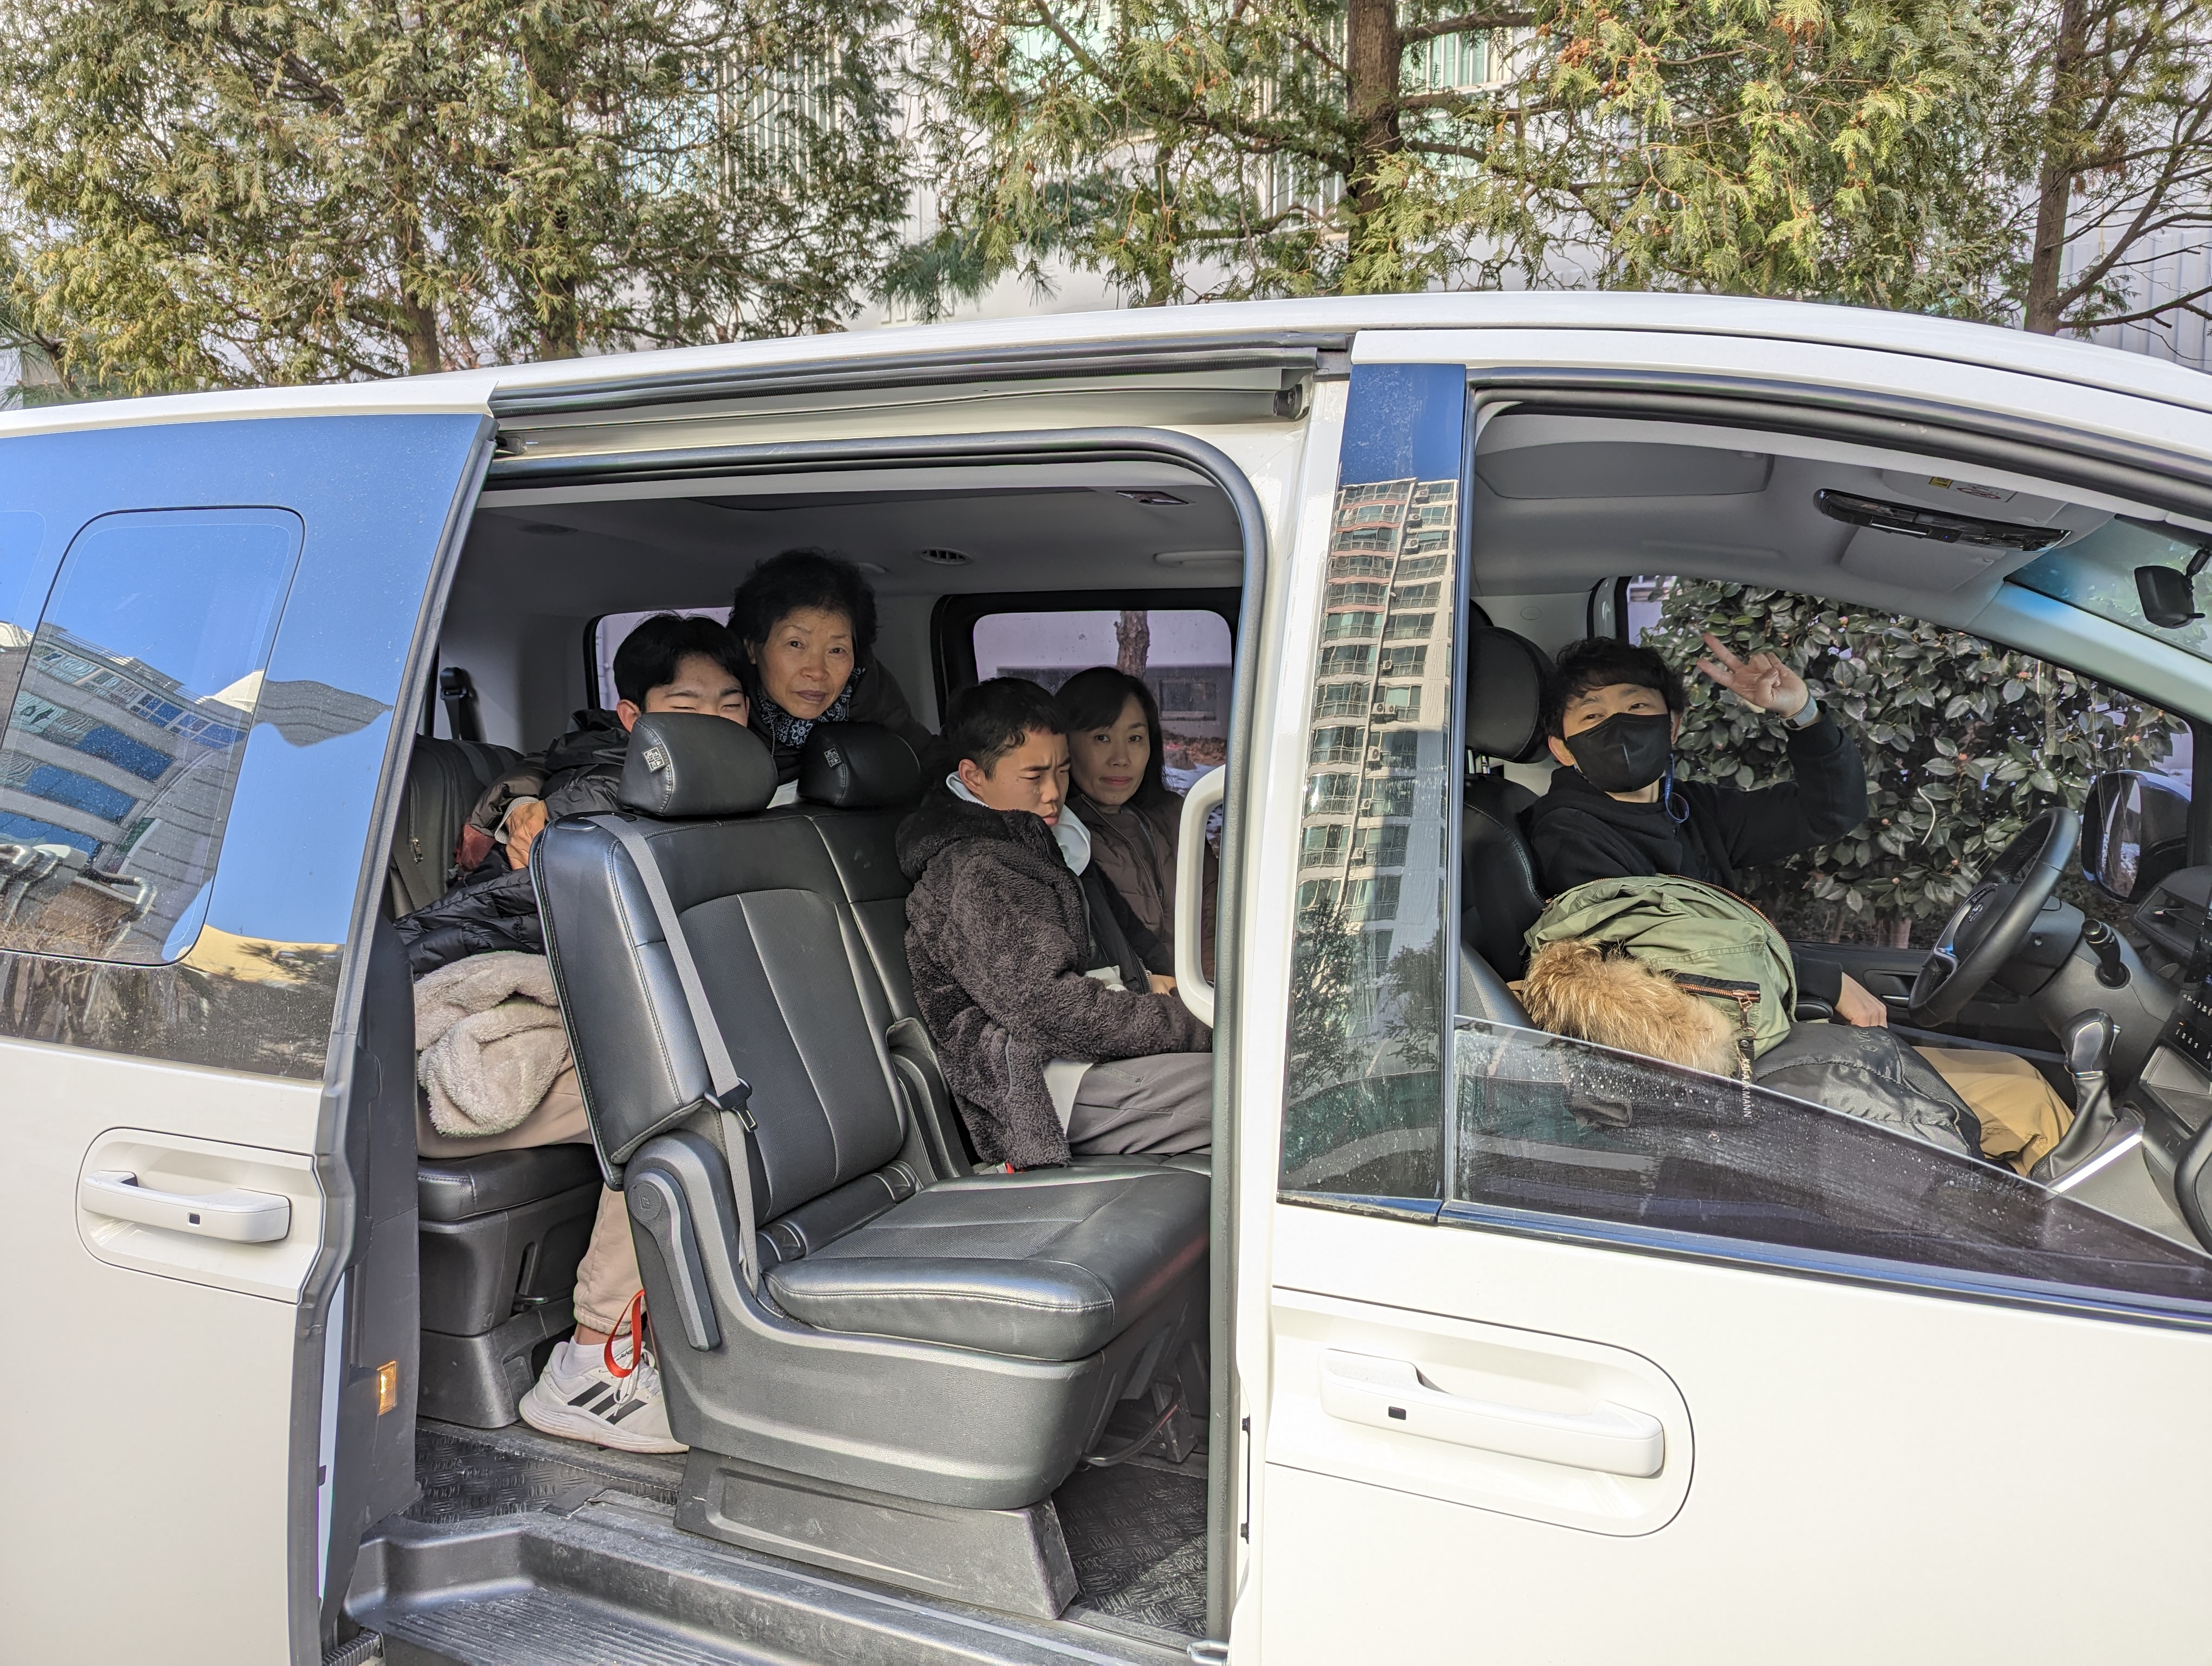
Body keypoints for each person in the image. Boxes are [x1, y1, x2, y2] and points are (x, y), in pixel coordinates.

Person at [411, 613, 752, 1454]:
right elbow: (494, 931)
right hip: (436, 1068)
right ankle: (594, 1362)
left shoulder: (707, 804)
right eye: (688, 705)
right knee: (678, 1101)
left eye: (731, 704)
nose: (713, 723)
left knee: (709, 1076)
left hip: (567, 1030)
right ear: (635, 717)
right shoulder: (596, 810)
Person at [898, 678, 1213, 1170]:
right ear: (973, 777)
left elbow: (1129, 944)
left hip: (1096, 1053)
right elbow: (1053, 1011)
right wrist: (1194, 1026)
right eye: (1034, 775)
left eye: (1063, 771)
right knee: (1252, 1093)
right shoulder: (974, 871)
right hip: (1040, 1088)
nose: (1054, 793)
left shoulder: (1050, 843)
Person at [1524, 633, 1882, 1026]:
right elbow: (1655, 953)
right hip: (1682, 1033)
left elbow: (1832, 811)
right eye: (1593, 716)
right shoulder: (1565, 832)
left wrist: (1802, 713)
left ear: (1672, 726)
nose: (1619, 726)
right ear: (1563, 749)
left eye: (1638, 705)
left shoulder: (1691, 806)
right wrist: (1821, 980)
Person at [728, 548, 934, 785]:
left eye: (836, 650)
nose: (817, 672)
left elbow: (928, 757)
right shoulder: (724, 703)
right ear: (752, 649)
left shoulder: (868, 690)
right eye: (795, 644)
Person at [1057, 665, 1217, 970]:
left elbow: (1216, 917)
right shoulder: (1057, 836)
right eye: (1101, 738)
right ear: (1065, 744)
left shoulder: (1177, 817)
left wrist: (1208, 991)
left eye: (1134, 738)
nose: (1121, 759)